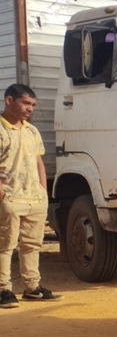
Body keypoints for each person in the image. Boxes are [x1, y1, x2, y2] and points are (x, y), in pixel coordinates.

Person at [0, 84, 57, 309]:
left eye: (32, 105)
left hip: (34, 198)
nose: (29, 109)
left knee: (32, 244)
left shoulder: (31, 130)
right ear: (9, 101)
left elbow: (38, 162)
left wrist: (42, 191)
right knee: (5, 245)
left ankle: (32, 288)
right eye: (25, 103)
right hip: (10, 198)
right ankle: (3, 289)